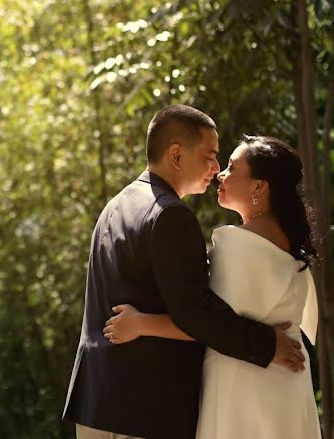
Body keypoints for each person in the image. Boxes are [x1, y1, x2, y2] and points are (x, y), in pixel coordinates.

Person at [63, 106, 305, 439]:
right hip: (145, 407)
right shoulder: (170, 215)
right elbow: (196, 312)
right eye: (209, 156)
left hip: (96, 401)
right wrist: (267, 345)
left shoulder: (116, 206)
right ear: (177, 155)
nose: (216, 168)